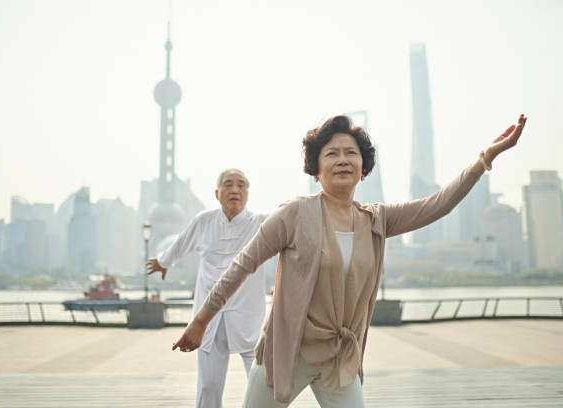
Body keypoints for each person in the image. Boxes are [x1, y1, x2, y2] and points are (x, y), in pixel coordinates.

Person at [172, 114, 527, 407]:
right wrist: (201, 321)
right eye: (331, 154)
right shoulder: (293, 215)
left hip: (338, 358)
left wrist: (485, 160)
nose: (342, 159)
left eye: (351, 153)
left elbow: (438, 204)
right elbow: (241, 266)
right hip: (285, 353)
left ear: (362, 166)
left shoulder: (376, 219)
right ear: (316, 169)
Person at [146, 168, 267, 408]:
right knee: (208, 387)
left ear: (248, 193)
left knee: (264, 384)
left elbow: (292, 230)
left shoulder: (261, 224)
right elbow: (180, 244)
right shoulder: (204, 221)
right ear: (216, 192)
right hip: (208, 320)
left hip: (249, 317)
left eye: (241, 185)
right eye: (228, 184)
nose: (235, 190)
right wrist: (163, 261)